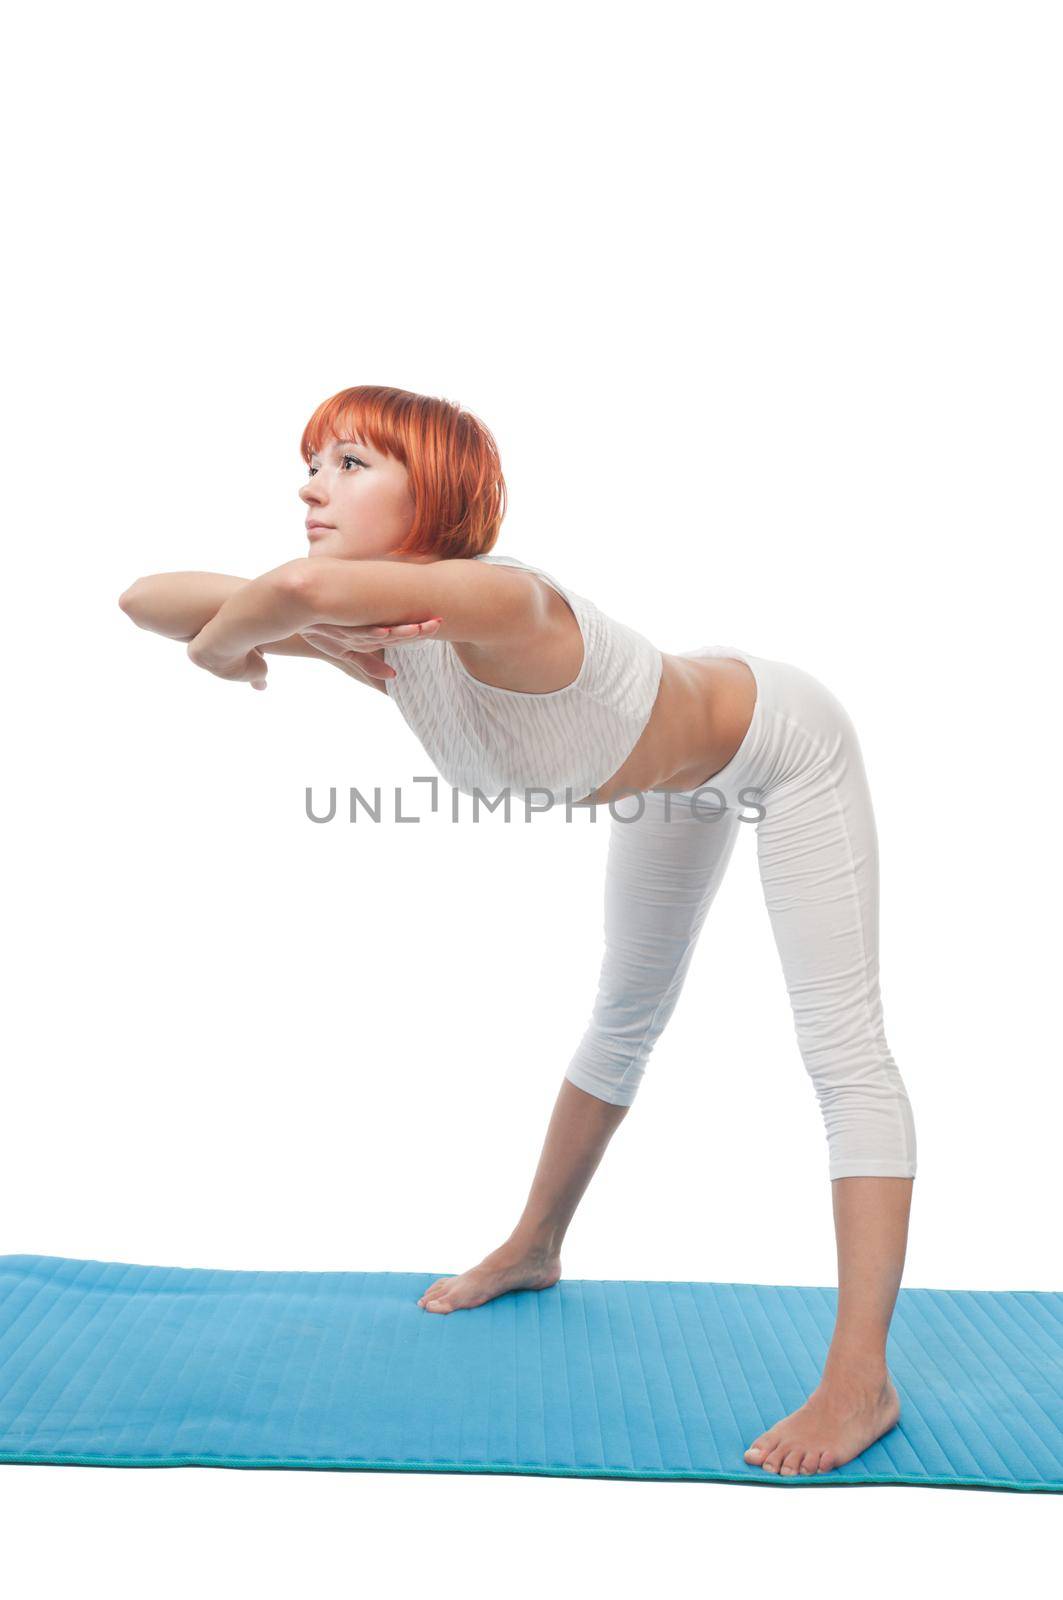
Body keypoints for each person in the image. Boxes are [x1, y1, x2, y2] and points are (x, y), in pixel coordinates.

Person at [118, 384, 917, 1478]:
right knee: (624, 1013)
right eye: (311, 464)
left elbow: (288, 588)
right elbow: (143, 596)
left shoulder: (502, 600)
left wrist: (235, 645)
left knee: (840, 1047)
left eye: (352, 464)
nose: (312, 487)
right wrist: (281, 630)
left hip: (781, 742)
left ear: (434, 492)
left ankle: (859, 1378)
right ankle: (536, 1244)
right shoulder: (380, 629)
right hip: (663, 776)